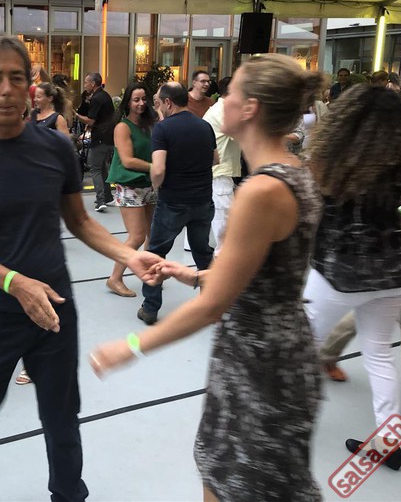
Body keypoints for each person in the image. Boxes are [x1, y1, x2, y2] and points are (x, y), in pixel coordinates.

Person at [0, 36, 161, 502]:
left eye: (17, 77)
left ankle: (69, 495)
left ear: (31, 86)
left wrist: (127, 255)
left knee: (62, 419)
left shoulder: (55, 147)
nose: (7, 88)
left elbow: (79, 221)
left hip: (56, 310)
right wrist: (15, 283)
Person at [91, 54, 325, 501]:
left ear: (250, 108)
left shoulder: (261, 190)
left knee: (228, 479)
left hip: (257, 361)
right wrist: (193, 274)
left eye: (230, 92)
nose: (221, 99)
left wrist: (131, 346)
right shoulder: (296, 174)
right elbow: (264, 274)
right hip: (280, 351)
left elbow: (214, 305)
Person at [304, 85, 401, 470]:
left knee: (299, 346)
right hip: (393, 269)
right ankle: (389, 441)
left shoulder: (331, 158)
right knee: (380, 354)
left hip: (339, 271)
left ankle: (278, 424)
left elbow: (313, 198)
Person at [137, 82, 218, 325]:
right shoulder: (204, 126)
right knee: (203, 252)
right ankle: (210, 304)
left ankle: (150, 308)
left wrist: (156, 186)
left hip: (173, 201)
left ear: (168, 102)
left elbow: (158, 169)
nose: (157, 106)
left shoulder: (162, 129)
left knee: (155, 254)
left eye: (158, 102)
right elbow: (215, 159)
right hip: (202, 200)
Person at [105, 83, 158, 298]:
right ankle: (115, 278)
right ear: (128, 102)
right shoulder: (123, 127)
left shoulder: (149, 125)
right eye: (136, 100)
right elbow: (127, 160)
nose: (141, 103)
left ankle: (148, 273)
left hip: (148, 184)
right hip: (130, 186)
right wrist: (155, 167)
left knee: (151, 234)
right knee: (136, 237)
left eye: (144, 99)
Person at [203, 76, 241, 255]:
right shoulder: (224, 111)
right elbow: (242, 134)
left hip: (219, 171)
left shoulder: (220, 109)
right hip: (219, 173)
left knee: (224, 218)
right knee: (224, 221)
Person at [75, 72, 114, 212]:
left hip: (100, 138)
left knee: (95, 168)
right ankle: (108, 196)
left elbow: (90, 120)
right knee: (102, 167)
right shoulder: (106, 96)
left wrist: (76, 115)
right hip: (109, 137)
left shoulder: (96, 99)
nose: (85, 85)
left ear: (93, 83)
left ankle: (100, 200)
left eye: (86, 82)